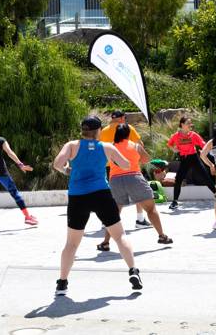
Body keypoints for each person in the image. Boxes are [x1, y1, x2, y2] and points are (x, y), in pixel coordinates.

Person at [53, 116, 142, 296]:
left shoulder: (71, 145)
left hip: (78, 196)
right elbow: (126, 164)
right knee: (119, 235)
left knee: (71, 243)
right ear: (99, 130)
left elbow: (57, 164)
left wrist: (67, 170)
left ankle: (62, 283)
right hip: (101, 194)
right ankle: (133, 271)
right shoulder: (107, 147)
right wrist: (113, 159)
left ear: (82, 130)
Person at [96, 124, 173, 252]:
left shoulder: (110, 147)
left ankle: (105, 242)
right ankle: (162, 236)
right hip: (134, 178)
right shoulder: (135, 146)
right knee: (150, 209)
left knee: (113, 214)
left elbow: (101, 162)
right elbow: (146, 159)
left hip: (115, 180)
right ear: (128, 134)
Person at [100, 110, 149, 228]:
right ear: (122, 118)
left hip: (110, 166)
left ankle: (107, 221)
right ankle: (140, 219)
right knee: (138, 193)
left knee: (112, 195)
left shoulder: (103, 131)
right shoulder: (128, 128)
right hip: (130, 166)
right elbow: (139, 144)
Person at [167, 116, 216, 210]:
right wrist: (173, 149)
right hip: (184, 159)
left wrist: (205, 150)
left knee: (205, 176)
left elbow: (203, 144)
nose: (190, 125)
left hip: (194, 158)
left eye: (190, 123)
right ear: (182, 124)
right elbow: (169, 144)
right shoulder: (176, 136)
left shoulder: (193, 135)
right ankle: (175, 202)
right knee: (178, 180)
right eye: (188, 123)